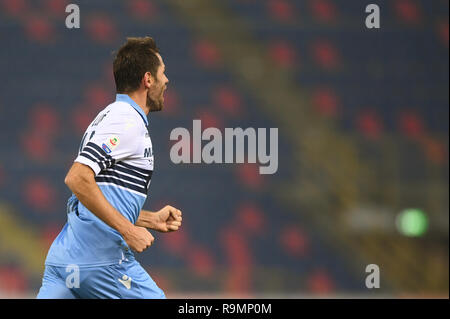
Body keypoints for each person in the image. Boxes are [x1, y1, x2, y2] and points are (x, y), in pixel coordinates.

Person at [37, 37, 182, 299]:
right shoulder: (126, 122)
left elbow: (94, 196)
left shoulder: (110, 116)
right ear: (148, 79)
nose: (167, 80)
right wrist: (128, 230)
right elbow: (78, 179)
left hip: (65, 262)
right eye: (163, 73)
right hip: (100, 263)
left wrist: (149, 219)